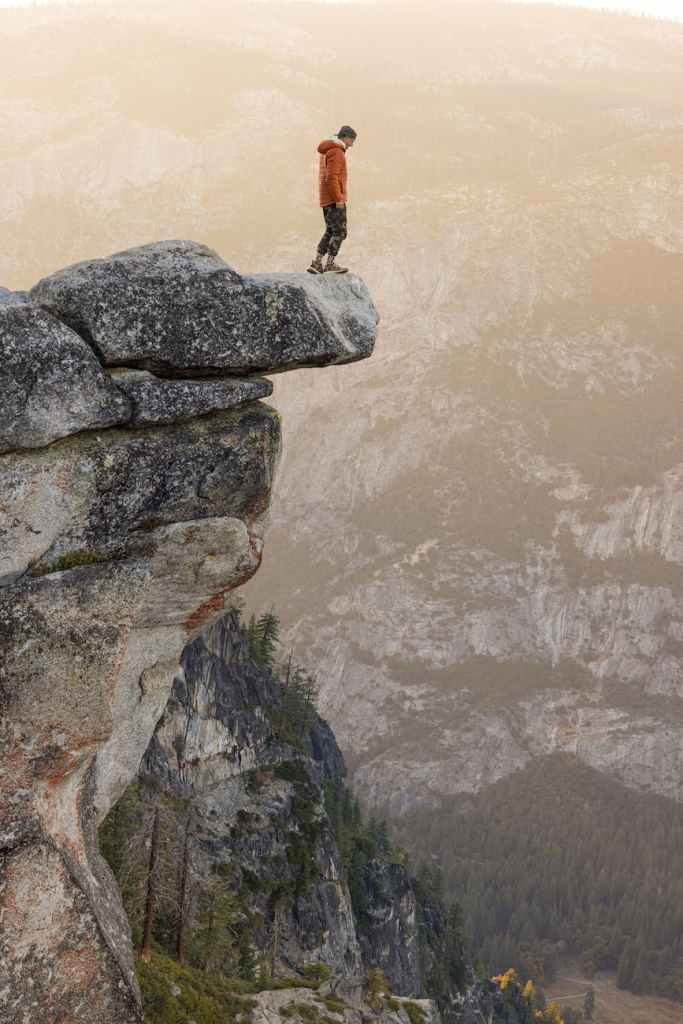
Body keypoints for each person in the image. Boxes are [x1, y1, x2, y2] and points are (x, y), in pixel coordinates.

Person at [308, 125, 357, 275]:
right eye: (351, 140)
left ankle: (317, 262)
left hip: (326, 198)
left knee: (330, 230)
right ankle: (329, 264)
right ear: (344, 137)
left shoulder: (328, 150)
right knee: (340, 231)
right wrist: (339, 199)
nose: (352, 144)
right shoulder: (337, 151)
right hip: (334, 199)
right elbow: (332, 177)